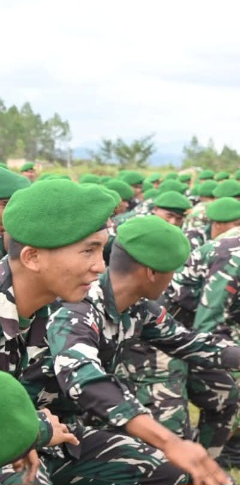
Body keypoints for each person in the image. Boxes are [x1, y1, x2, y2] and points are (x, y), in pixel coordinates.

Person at [23, 215, 240, 485]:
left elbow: (188, 341)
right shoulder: (77, 310)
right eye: (172, 271)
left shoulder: (138, 309)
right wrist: (170, 442)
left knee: (179, 472)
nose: (174, 279)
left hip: (69, 430)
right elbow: (86, 381)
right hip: (24, 435)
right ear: (152, 272)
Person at [0, 179, 189, 485]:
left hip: (48, 438)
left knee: (169, 470)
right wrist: (32, 431)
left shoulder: (56, 307)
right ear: (32, 258)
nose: (101, 267)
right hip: (20, 443)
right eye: (88, 250)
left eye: (102, 250)